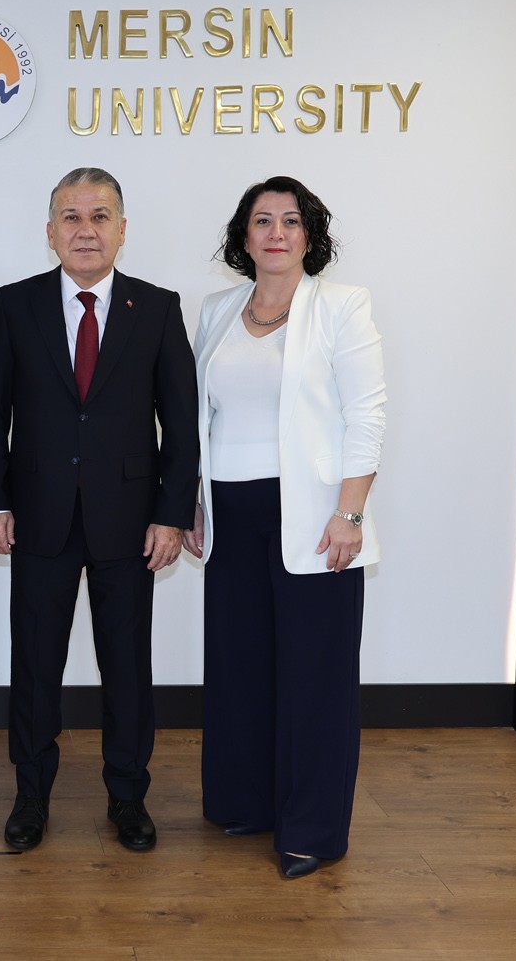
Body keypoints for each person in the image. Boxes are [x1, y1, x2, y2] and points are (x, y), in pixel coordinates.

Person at [0, 166, 199, 853]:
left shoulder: (157, 308)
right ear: (50, 232)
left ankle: (128, 796)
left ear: (122, 230)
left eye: (99, 216)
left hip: (132, 522)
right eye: (71, 217)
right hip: (37, 514)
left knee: (127, 667)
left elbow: (182, 422)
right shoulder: (14, 305)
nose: (85, 230)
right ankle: (31, 796)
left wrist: (172, 512)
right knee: (34, 666)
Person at [183, 176, 387, 880]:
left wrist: (351, 512)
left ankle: (311, 830)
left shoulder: (341, 306)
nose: (276, 233)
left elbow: (367, 414)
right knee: (239, 666)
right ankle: (247, 801)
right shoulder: (217, 309)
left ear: (309, 236)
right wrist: (195, 500)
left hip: (314, 516)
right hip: (230, 512)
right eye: (263, 220)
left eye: (291, 221)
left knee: (314, 677)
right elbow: (200, 417)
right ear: (244, 236)